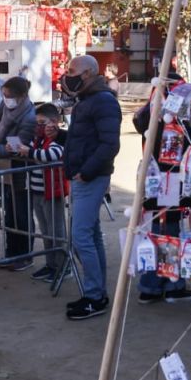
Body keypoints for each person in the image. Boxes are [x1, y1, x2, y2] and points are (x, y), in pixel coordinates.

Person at [60, 55, 121, 320]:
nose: (67, 74)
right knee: (91, 235)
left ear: (87, 74)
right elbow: (86, 138)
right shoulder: (88, 100)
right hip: (83, 175)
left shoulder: (102, 101)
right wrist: (60, 135)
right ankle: (97, 293)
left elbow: (109, 144)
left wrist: (86, 172)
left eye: (71, 70)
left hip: (89, 177)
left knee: (81, 236)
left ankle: (95, 296)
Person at [133, 72, 191, 305]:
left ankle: (156, 284)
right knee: (169, 233)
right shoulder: (173, 125)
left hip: (155, 186)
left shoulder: (149, 118)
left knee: (158, 232)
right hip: (172, 186)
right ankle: (167, 284)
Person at [0, 76, 38, 270]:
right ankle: (11, 254)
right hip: (5, 168)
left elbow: (15, 148)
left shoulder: (28, 117)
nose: (5, 99)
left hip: (20, 169)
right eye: (3, 95)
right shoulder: (7, 107)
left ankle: (24, 255)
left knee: (21, 214)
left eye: (9, 96)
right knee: (9, 214)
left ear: (21, 96)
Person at [19, 103, 69, 283]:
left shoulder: (58, 139)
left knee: (56, 231)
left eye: (42, 122)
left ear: (54, 122)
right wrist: (20, 150)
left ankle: (63, 266)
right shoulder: (38, 139)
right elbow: (32, 152)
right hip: (36, 191)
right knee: (46, 230)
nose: (38, 126)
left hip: (52, 193)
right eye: (37, 123)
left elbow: (51, 155)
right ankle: (50, 264)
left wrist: (30, 152)